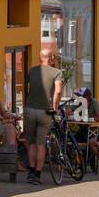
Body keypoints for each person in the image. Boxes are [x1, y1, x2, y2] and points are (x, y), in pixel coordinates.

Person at [24, 48, 63, 185]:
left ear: (40, 57)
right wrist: (55, 106)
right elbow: (58, 91)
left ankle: (30, 172)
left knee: (32, 143)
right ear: (51, 58)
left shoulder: (32, 70)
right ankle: (37, 175)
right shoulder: (57, 72)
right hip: (44, 111)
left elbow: (28, 88)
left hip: (29, 110)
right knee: (41, 144)